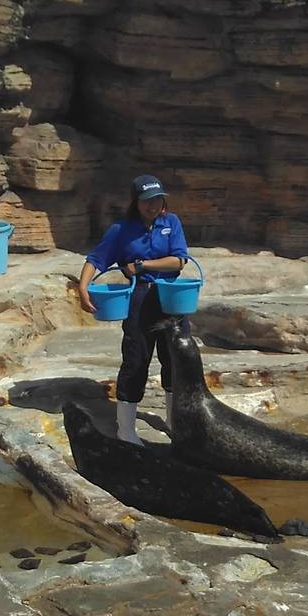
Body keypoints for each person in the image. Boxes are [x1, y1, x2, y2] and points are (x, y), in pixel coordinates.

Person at [77, 174, 190, 444]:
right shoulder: (121, 229)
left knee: (175, 359)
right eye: (146, 201)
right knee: (136, 360)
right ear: (136, 202)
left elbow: (179, 260)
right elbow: (97, 259)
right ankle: (126, 430)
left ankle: (174, 421)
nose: (153, 205)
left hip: (171, 297)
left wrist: (142, 265)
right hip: (140, 298)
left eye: (157, 200)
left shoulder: (171, 223)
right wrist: (83, 287)